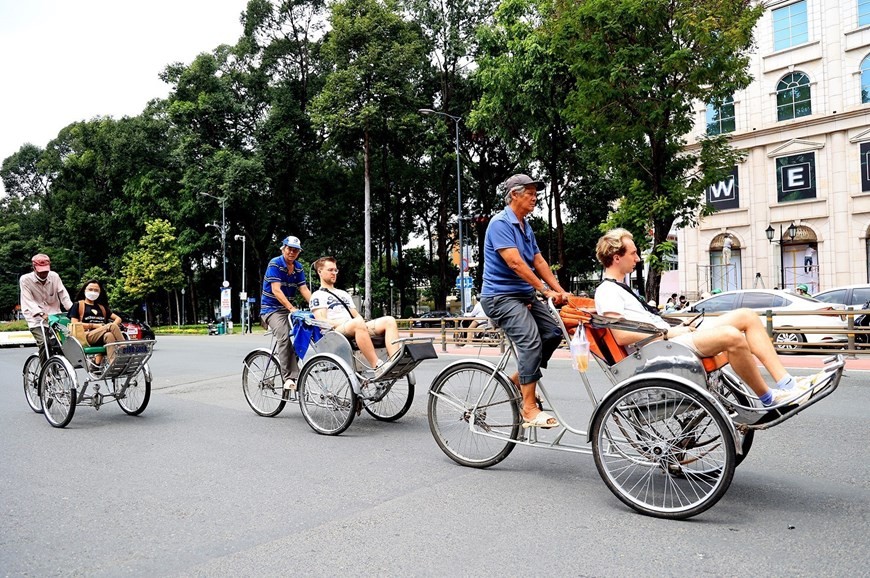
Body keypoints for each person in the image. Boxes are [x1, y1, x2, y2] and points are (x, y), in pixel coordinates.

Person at [594, 228, 823, 407]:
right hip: (660, 346)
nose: (637, 258)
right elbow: (622, 335)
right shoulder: (607, 291)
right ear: (616, 257)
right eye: (633, 253)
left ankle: (788, 383)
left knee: (747, 316)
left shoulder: (621, 288)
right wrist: (668, 331)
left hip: (668, 338)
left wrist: (675, 325)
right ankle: (768, 397)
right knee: (731, 336)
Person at [480, 173, 571, 428]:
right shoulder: (500, 223)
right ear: (514, 195)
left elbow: (538, 261)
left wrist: (561, 291)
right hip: (500, 297)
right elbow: (516, 263)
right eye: (529, 193)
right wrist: (544, 291)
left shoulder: (524, 226)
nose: (535, 198)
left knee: (553, 333)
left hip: (523, 295)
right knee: (530, 341)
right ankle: (528, 408)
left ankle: (519, 379)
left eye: (535, 193)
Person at [309, 256, 399, 375]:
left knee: (389, 320)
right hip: (334, 332)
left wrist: (359, 322)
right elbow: (322, 321)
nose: (334, 273)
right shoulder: (317, 295)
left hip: (352, 326)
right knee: (356, 323)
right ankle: (377, 366)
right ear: (319, 272)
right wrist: (346, 323)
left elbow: (357, 316)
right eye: (330, 270)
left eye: (335, 270)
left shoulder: (343, 294)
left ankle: (394, 363)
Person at [259, 236, 312, 391]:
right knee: (284, 336)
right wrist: (291, 308)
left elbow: (304, 289)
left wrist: (317, 306)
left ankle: (293, 366)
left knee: (306, 331)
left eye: (295, 250)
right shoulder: (275, 263)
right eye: (289, 248)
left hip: (288, 308)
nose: (292, 252)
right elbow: (276, 290)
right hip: (271, 309)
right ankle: (288, 378)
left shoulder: (298, 267)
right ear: (283, 249)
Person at [19, 253, 73, 363]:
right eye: (41, 270)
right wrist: (41, 314)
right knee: (44, 343)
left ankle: (56, 364)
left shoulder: (54, 276)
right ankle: (46, 373)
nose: (44, 273)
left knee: (66, 340)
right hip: (36, 319)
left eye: (46, 270)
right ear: (34, 267)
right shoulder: (25, 280)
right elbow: (28, 300)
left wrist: (72, 311)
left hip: (54, 316)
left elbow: (63, 295)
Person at [68, 279, 126, 365]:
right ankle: (124, 348)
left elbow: (118, 319)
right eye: (90, 289)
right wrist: (95, 326)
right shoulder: (78, 305)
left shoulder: (102, 307)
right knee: (111, 326)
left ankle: (109, 364)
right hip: (86, 336)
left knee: (109, 335)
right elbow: (75, 324)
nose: (93, 292)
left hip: (101, 335)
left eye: (96, 290)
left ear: (99, 293)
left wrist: (107, 327)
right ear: (85, 290)